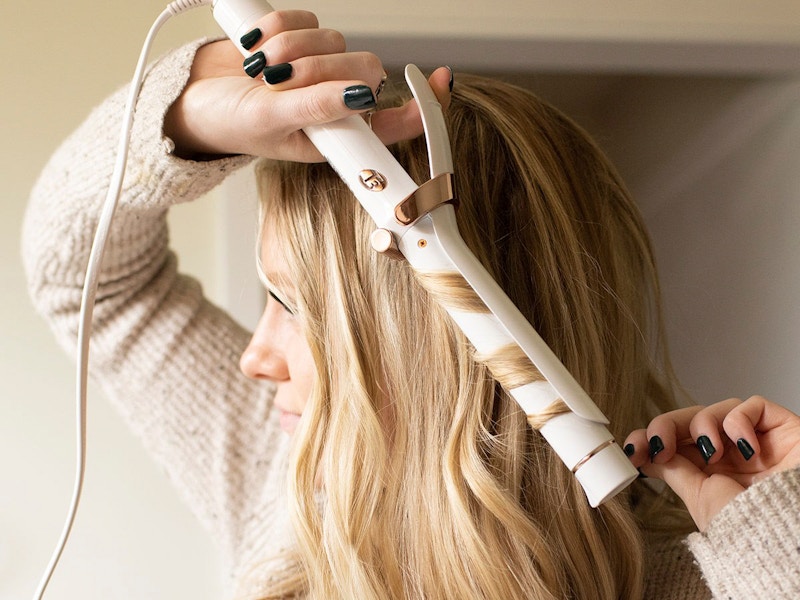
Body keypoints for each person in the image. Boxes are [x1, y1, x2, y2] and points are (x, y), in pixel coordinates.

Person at [22, 9, 800, 600]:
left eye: (295, 308)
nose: (256, 360)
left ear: (433, 330)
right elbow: (82, 277)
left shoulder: (706, 575)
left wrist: (783, 549)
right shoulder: (284, 479)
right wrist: (187, 115)